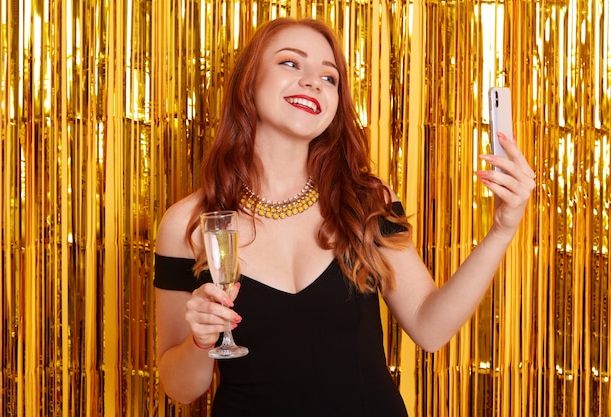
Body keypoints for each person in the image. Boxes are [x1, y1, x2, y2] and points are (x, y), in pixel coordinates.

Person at [153, 17, 535, 417]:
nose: (314, 81)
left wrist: (501, 229)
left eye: (330, 77)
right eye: (290, 63)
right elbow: (181, 389)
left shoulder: (366, 201)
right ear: (248, 81)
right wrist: (200, 340)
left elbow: (430, 327)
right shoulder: (189, 225)